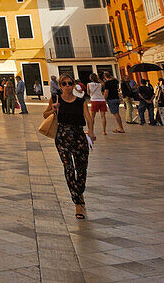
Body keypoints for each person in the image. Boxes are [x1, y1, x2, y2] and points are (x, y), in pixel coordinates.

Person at [44, 73, 95, 219]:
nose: (67, 86)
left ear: (74, 85)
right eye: (64, 84)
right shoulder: (56, 99)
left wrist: (91, 132)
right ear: (60, 86)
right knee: (69, 168)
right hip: (62, 136)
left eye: (70, 83)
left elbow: (89, 118)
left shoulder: (81, 101)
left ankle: (79, 192)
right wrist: (53, 108)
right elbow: (44, 114)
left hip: (79, 136)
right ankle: (78, 203)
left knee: (81, 169)